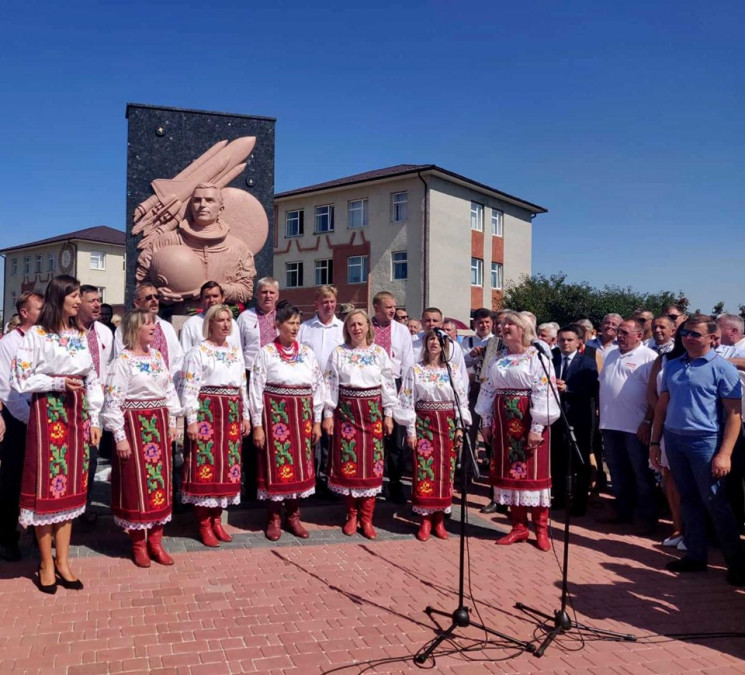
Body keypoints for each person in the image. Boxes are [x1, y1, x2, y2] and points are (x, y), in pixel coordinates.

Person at [11, 275, 103, 593]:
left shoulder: (80, 334)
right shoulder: (37, 335)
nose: (79, 301)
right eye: (74, 296)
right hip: (48, 412)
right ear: (59, 297)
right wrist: (57, 383)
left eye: (80, 296)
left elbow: (92, 377)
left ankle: (63, 561)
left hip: (77, 413)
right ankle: (46, 563)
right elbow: (20, 379)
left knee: (71, 489)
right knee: (47, 487)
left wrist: (94, 420)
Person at [650, 315, 745, 586]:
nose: (687, 338)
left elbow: (734, 415)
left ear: (711, 338)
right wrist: (656, 443)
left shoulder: (722, 368)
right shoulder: (674, 366)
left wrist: (725, 453)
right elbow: (662, 406)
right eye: (684, 334)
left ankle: (737, 564)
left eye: (695, 334)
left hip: (706, 442)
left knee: (716, 503)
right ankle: (695, 555)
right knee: (689, 499)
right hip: (675, 439)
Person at [101, 309, 181, 567]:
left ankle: (156, 542)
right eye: (148, 324)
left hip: (157, 426)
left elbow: (168, 390)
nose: (153, 328)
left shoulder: (157, 356)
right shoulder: (122, 361)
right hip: (134, 426)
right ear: (135, 328)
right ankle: (138, 543)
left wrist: (171, 423)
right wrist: (120, 437)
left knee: (159, 482)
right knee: (135, 483)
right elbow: (113, 401)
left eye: (154, 324)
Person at [475, 311, 560, 551]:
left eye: (510, 323)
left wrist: (537, 428)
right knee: (510, 474)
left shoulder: (537, 357)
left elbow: (544, 392)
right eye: (502, 324)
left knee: (534, 473)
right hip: (503, 424)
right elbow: (488, 390)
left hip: (528, 420)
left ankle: (541, 529)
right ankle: (519, 527)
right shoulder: (498, 358)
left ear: (523, 328)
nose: (504, 327)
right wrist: (487, 421)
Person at [248, 301, 324, 541]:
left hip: (302, 418)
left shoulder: (308, 353)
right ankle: (274, 518)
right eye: (290, 323)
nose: (295, 328)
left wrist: (318, 421)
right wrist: (258, 425)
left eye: (298, 323)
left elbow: (318, 387)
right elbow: (255, 388)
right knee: (276, 466)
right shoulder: (266, 353)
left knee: (300, 466)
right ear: (277, 325)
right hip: (275, 417)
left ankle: (293, 516)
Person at [180, 304, 251, 547]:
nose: (226, 324)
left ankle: (217, 520)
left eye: (229, 319)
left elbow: (242, 385)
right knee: (205, 464)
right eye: (220, 320)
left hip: (230, 412)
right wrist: (191, 419)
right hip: (207, 412)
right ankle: (203, 523)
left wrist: (245, 415)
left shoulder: (234, 351)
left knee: (227, 464)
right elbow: (189, 388)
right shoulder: (197, 352)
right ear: (210, 323)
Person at [323, 310, 397, 537]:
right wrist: (328, 413)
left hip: (372, 412)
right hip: (346, 412)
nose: (357, 328)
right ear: (347, 329)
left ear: (368, 327)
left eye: (360, 324)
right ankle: (351, 514)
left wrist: (388, 413)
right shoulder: (339, 353)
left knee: (372, 464)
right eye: (352, 325)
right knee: (349, 462)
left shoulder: (378, 353)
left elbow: (388, 384)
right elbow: (330, 384)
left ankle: (367, 517)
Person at [396, 329, 470, 541]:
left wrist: (459, 426)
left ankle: (439, 519)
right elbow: (407, 401)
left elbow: (461, 400)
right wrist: (411, 430)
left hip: (447, 424)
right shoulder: (415, 370)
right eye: (430, 339)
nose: (434, 343)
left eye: (438, 340)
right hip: (424, 424)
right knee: (424, 470)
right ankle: (425, 519)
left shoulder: (452, 370)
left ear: (444, 344)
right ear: (425, 343)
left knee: (446, 471)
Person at [137, 183, 257, 304]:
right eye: (197, 200)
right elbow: (142, 281)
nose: (203, 205)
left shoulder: (237, 248)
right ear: (191, 207)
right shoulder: (166, 241)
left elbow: (246, 291)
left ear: (220, 209)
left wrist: (213, 290)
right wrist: (158, 294)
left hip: (220, 318)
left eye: (209, 200)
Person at [597, 319, 658, 534]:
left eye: (624, 332)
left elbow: (656, 394)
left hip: (635, 427)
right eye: (618, 332)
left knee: (640, 474)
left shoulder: (649, 358)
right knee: (617, 472)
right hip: (610, 424)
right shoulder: (612, 353)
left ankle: (647, 519)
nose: (618, 336)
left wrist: (648, 421)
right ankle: (623, 512)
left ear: (639, 336)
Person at [0, 291, 43, 561]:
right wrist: (29, 419)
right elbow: (7, 388)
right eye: (39, 308)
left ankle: (40, 534)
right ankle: (6, 537)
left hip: (43, 419)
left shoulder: (44, 339)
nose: (45, 311)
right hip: (20, 419)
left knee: (41, 480)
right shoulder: (9, 344)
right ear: (24, 313)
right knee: (12, 480)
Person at [298, 286, 344, 498]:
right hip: (310, 389)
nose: (329, 305)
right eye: (325, 301)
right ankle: (312, 478)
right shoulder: (305, 328)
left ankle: (328, 478)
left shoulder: (342, 328)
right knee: (312, 435)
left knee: (332, 436)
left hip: (336, 390)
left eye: (332, 301)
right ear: (316, 304)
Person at [237, 277, 280, 498]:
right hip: (250, 374)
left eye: (272, 292)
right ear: (256, 294)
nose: (268, 296)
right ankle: (251, 483)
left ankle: (273, 480)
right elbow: (238, 349)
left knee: (274, 432)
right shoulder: (245, 318)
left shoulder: (283, 318)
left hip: (275, 381)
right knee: (251, 431)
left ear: (277, 295)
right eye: (264, 292)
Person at [371, 292, 415, 504]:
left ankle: (395, 484)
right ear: (376, 308)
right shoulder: (366, 327)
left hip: (396, 384)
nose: (392, 311)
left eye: (394, 307)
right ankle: (374, 483)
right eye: (387, 307)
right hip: (370, 385)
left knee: (396, 439)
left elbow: (407, 361)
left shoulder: (402, 330)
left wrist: (403, 392)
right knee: (374, 437)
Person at [551, 324, 599, 515]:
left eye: (569, 340)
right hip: (556, 417)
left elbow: (591, 388)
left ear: (579, 342)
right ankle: (560, 498)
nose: (565, 343)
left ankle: (580, 502)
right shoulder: (551, 359)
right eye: (562, 340)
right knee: (558, 459)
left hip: (579, 417)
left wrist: (568, 388)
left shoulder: (586, 361)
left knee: (580, 460)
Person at [647, 329, 687, 549]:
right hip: (666, 426)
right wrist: (662, 417)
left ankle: (695, 530)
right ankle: (678, 527)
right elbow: (651, 393)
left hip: (697, 430)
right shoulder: (664, 360)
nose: (689, 338)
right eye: (685, 333)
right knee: (669, 478)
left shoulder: (710, 360)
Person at [78, 285, 114, 524]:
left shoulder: (104, 332)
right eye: (91, 300)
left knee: (91, 455)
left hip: (97, 402)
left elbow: (109, 365)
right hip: (70, 401)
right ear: (77, 303)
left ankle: (85, 504)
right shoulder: (69, 331)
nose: (97, 305)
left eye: (99, 300)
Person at [114, 283, 184, 379]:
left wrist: (170, 379)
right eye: (148, 298)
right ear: (137, 303)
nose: (154, 300)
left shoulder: (167, 327)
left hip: (168, 386)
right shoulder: (125, 328)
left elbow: (179, 357)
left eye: (156, 297)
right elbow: (122, 358)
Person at [180, 281, 242, 353]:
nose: (212, 300)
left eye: (215, 296)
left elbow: (238, 352)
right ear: (201, 300)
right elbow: (184, 354)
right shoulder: (190, 324)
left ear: (223, 298)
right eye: (207, 297)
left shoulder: (232, 323)